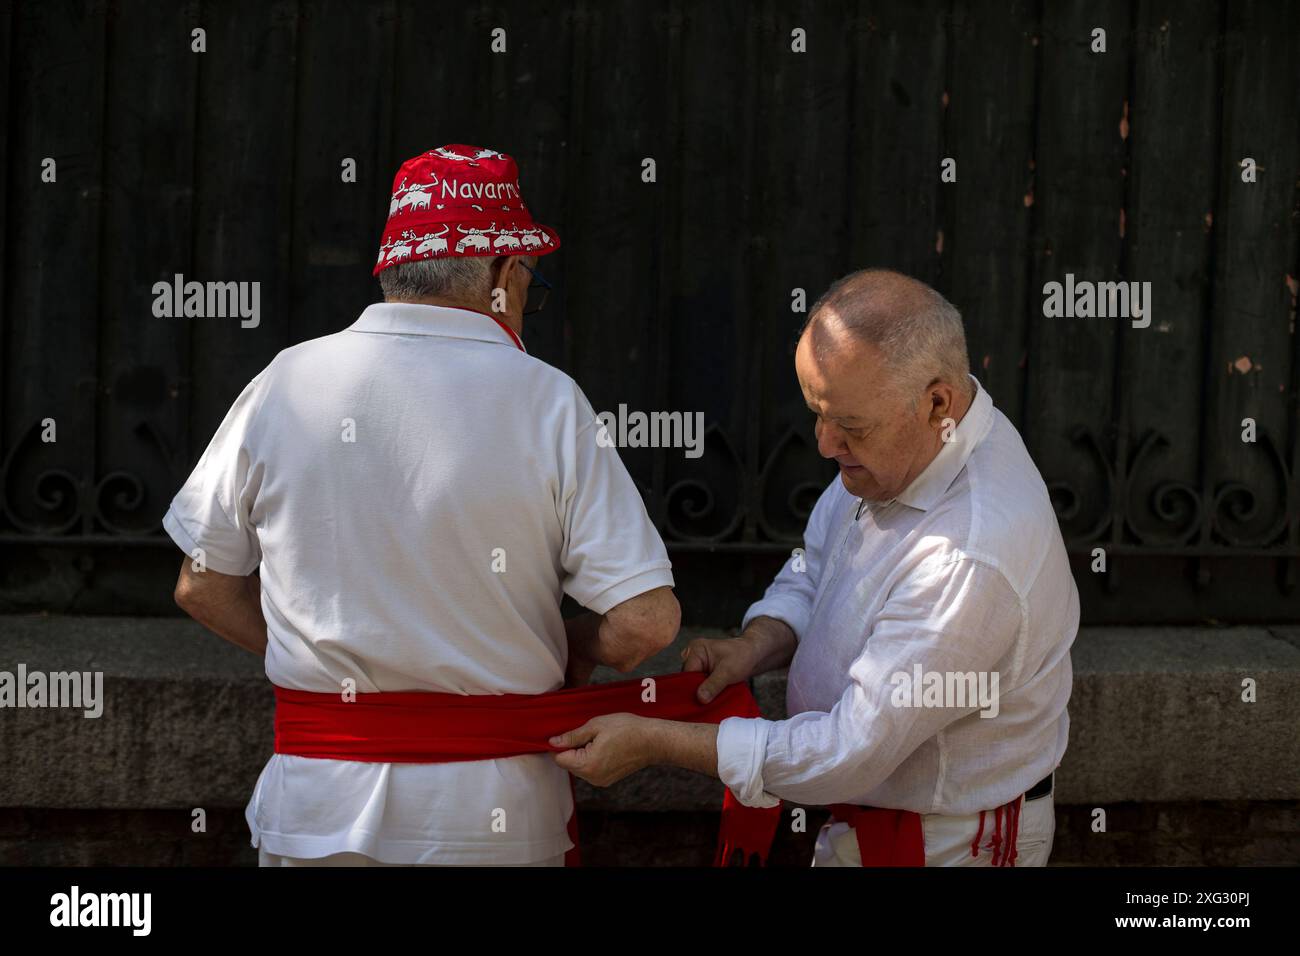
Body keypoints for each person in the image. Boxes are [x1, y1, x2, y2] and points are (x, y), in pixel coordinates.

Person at [165, 145, 680, 866]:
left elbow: (202, 584)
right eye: (530, 278)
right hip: (492, 818)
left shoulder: (284, 383)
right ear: (503, 274)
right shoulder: (547, 400)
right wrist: (570, 647)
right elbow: (645, 622)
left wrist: (332, 664)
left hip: (316, 810)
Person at [550, 268, 1078, 867]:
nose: (825, 444)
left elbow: (852, 749)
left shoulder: (968, 553)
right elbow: (818, 567)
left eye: (849, 426)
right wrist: (758, 642)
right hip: (876, 819)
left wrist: (657, 742)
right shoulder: (909, 445)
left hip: (949, 843)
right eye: (817, 413)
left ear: (938, 403)